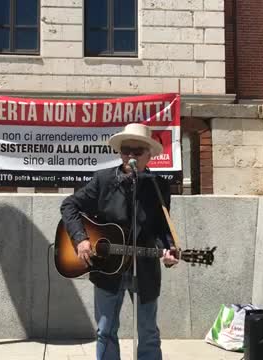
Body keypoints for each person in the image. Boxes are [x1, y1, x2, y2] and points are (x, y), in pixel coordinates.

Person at [60, 123, 179, 360]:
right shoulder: (103, 180)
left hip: (144, 270)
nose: (130, 156)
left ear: (149, 155)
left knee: (148, 332)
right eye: (126, 151)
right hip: (107, 268)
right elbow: (69, 205)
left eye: (137, 152)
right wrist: (81, 239)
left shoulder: (159, 186)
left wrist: (168, 250)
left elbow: (162, 228)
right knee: (105, 330)